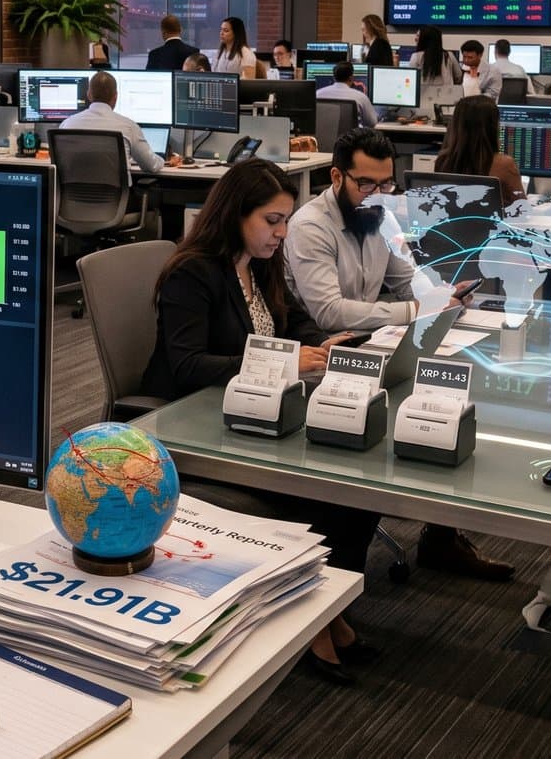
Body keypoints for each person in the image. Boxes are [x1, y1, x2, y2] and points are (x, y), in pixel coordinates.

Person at [139, 158, 379, 683]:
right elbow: (186, 367)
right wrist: (283, 360)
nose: (282, 231)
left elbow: (289, 319)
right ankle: (309, 628)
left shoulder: (259, 262)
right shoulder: (193, 273)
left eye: (286, 219)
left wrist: (320, 343)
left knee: (360, 498)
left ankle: (330, 612)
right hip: (195, 421)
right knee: (328, 494)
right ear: (235, 214)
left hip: (258, 413)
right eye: (272, 220)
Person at [282, 129, 514, 583]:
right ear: (336, 176)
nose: (377, 195)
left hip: (374, 346)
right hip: (326, 355)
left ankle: (441, 538)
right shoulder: (311, 226)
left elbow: (407, 278)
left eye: (385, 185)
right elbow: (327, 310)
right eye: (366, 184)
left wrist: (441, 295)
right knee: (426, 400)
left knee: (448, 395)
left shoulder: (378, 218)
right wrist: (414, 309)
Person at [57, 71, 179, 172]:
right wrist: (165, 161)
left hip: (72, 198)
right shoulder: (129, 126)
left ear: (89, 95)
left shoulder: (66, 124)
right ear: (115, 97)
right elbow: (151, 165)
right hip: (114, 200)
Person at [434, 95, 524, 203]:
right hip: (491, 220)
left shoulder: (443, 161)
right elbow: (522, 210)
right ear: (492, 128)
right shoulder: (504, 164)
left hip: (457, 220)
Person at [315, 61, 378, 127]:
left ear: (334, 77)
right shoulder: (361, 97)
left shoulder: (318, 94)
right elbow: (372, 122)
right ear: (351, 78)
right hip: (352, 136)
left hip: (325, 136)